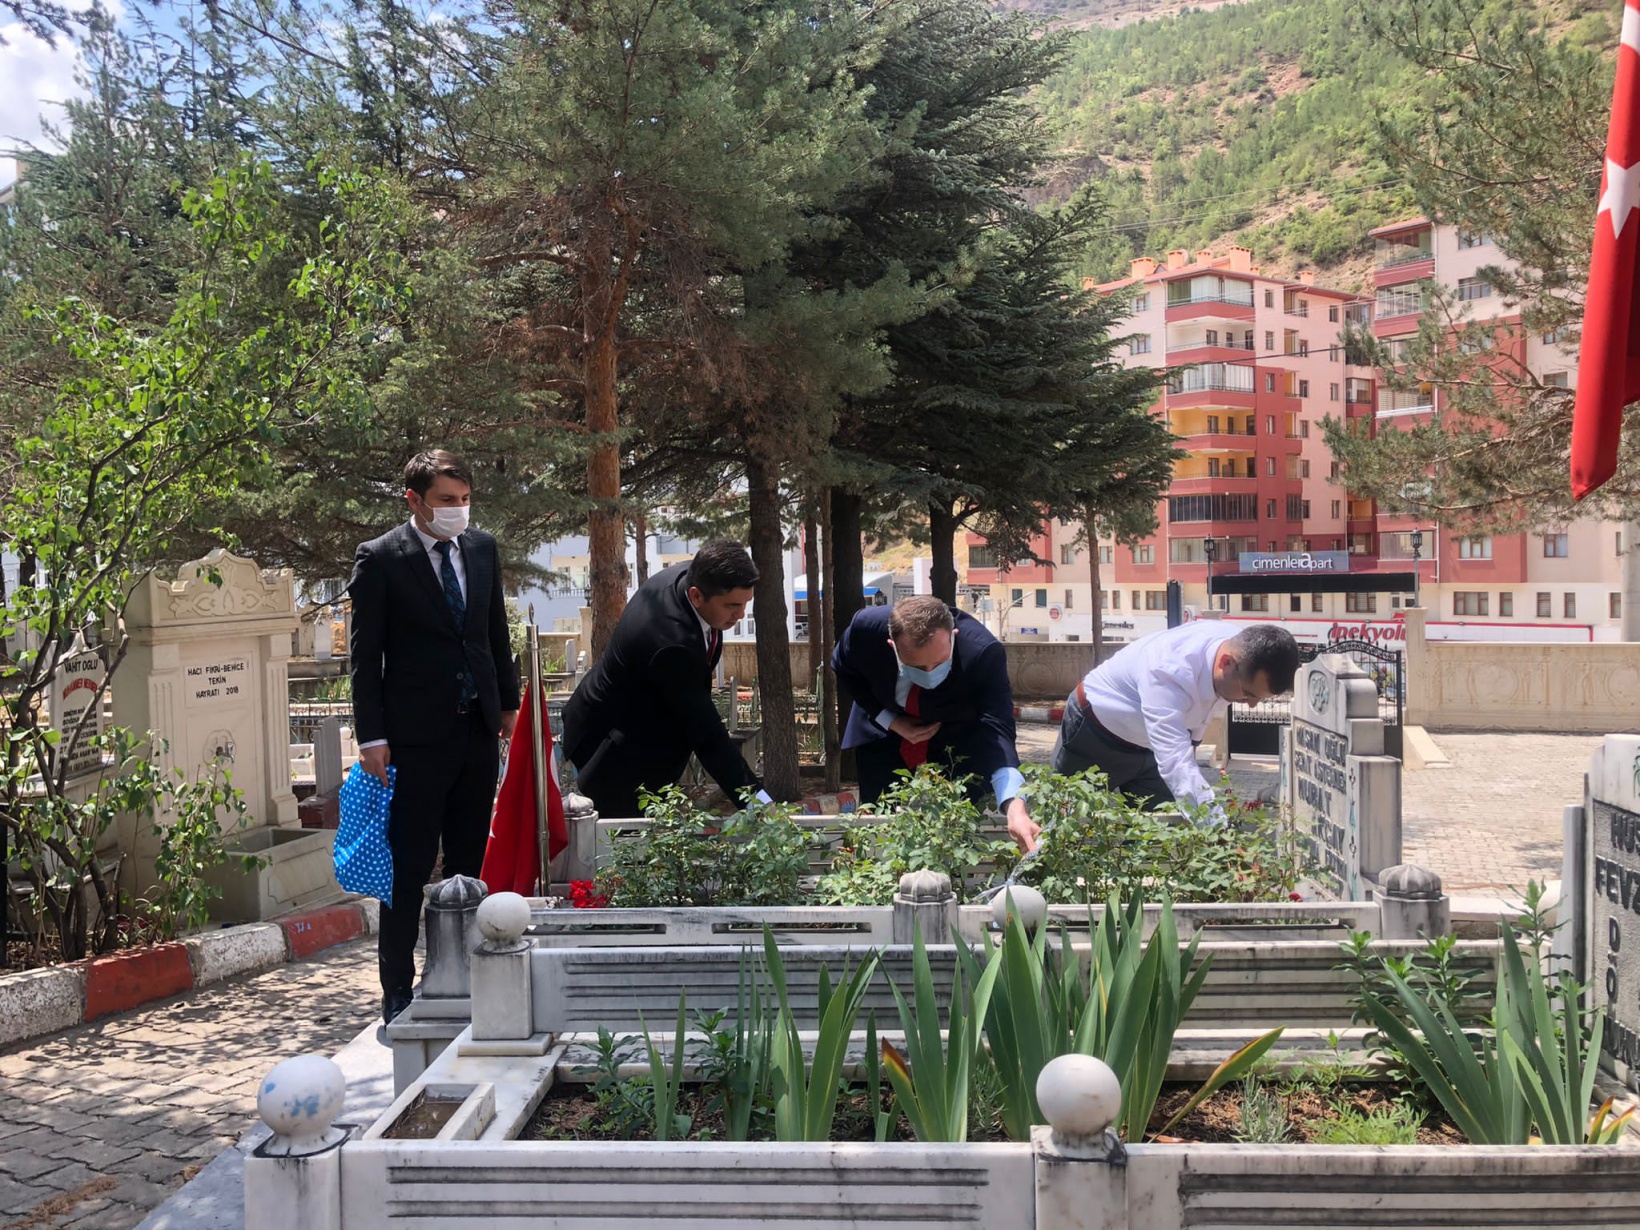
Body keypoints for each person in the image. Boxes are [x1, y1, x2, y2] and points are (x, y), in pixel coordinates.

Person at [349, 450, 520, 1024]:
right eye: (447, 501)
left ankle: (464, 971)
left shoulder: (481, 548)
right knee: (409, 864)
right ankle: (396, 986)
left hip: (475, 726)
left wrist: (510, 703)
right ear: (415, 500)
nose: (459, 511)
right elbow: (364, 656)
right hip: (412, 738)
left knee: (470, 861)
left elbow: (494, 628)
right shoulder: (380, 559)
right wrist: (371, 735)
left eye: (466, 499)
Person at [563, 540, 767, 819]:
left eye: (746, 603)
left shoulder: (690, 576)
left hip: (635, 721)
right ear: (697, 596)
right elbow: (709, 738)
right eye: (732, 605)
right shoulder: (672, 643)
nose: (741, 615)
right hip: (611, 750)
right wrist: (763, 807)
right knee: (622, 847)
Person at [832, 595, 1041, 852]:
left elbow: (996, 729)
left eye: (940, 663)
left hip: (954, 738)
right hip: (883, 735)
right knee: (877, 826)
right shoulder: (865, 630)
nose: (929, 673)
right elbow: (843, 668)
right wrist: (891, 720)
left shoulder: (983, 652)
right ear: (892, 645)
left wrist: (1014, 806)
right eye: (916, 666)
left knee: (955, 830)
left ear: (953, 635)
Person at [1052, 621, 1299, 822]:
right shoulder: (1168, 668)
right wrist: (1216, 830)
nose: (1252, 704)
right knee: (1064, 825)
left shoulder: (1243, 647)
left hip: (1154, 748)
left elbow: (1186, 744)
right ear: (1226, 663)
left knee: (1162, 840)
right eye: (1248, 693)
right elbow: (1175, 763)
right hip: (1096, 734)